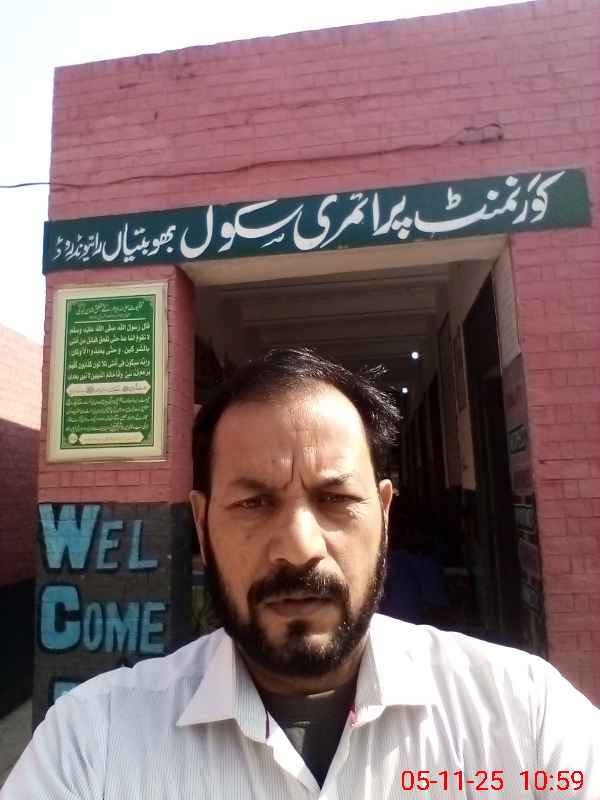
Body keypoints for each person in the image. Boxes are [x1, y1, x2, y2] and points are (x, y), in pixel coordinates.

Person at [2, 348, 599, 799]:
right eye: (254, 503)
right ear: (202, 526)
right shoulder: (92, 745)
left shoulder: (525, 719)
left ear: (384, 515)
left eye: (335, 500)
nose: (298, 547)